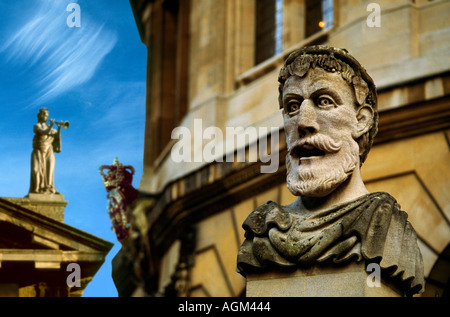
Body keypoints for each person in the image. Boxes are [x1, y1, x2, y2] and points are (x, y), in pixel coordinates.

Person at [237, 45, 424, 295]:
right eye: (292, 107)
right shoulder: (262, 230)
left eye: (324, 102)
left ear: (361, 121)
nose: (303, 122)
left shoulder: (385, 227)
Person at [29, 107, 60, 194]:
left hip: (49, 151)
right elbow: (43, 132)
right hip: (38, 151)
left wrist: (59, 128)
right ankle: (37, 189)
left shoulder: (50, 128)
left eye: (47, 115)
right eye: (45, 115)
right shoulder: (36, 126)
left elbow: (56, 137)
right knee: (36, 170)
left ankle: (48, 187)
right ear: (40, 115)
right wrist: (51, 126)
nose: (46, 117)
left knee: (49, 171)